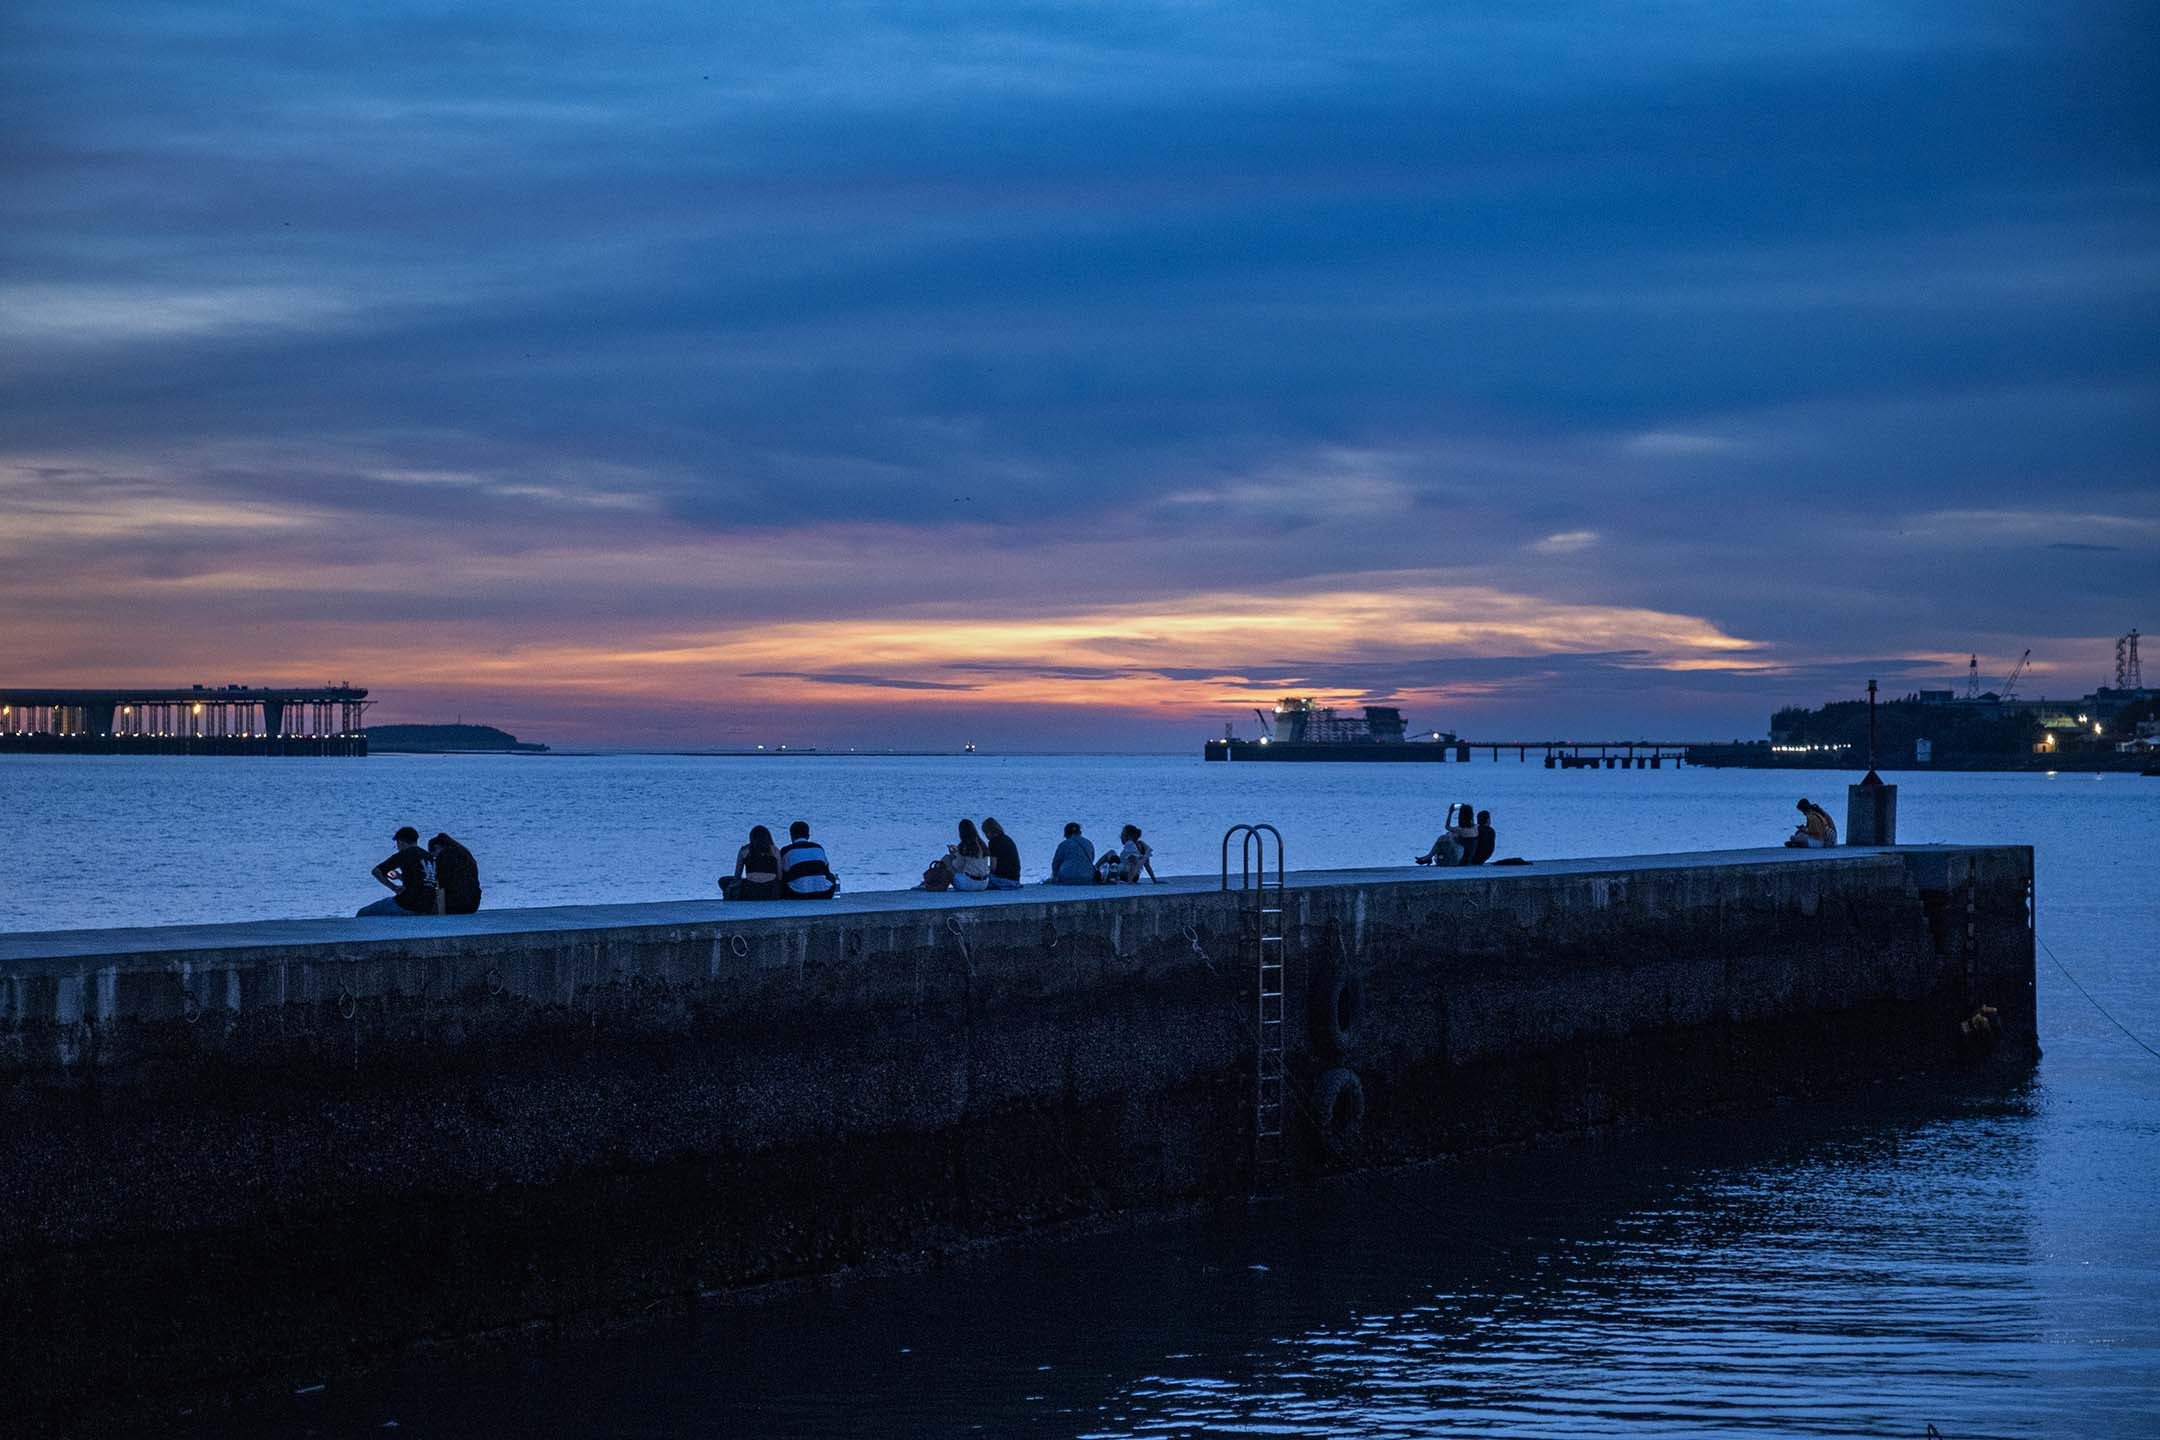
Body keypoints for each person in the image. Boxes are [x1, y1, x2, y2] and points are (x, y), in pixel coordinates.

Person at [358, 825, 437, 916]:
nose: (398, 848)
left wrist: (394, 887)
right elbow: (422, 880)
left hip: (407, 904)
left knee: (363, 913)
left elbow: (376, 871)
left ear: (401, 842)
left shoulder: (406, 853)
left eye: (397, 845)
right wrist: (399, 877)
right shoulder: (429, 857)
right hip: (426, 906)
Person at [724, 824, 786, 901]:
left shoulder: (744, 850)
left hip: (750, 890)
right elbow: (780, 876)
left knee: (723, 880)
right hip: (771, 890)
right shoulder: (775, 850)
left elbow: (737, 875)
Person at [780, 820, 839, 897]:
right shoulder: (818, 848)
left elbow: (783, 872)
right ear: (808, 835)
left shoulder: (787, 850)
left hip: (797, 893)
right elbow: (827, 871)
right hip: (825, 892)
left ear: (791, 836)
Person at [428, 832, 483, 913]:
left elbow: (441, 884)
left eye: (434, 856)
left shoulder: (444, 856)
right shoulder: (465, 854)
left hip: (456, 904)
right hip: (473, 903)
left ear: (437, 847)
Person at [947, 819, 992, 891]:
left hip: (969, 884)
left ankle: (935, 883)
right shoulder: (983, 845)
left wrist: (954, 855)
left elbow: (957, 866)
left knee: (947, 859)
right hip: (984, 884)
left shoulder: (964, 846)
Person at [982, 817, 1022, 890]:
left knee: (980, 880)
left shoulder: (993, 843)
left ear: (991, 831)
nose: (986, 836)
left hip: (1003, 880)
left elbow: (993, 867)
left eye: (986, 832)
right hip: (1015, 879)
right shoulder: (1007, 839)